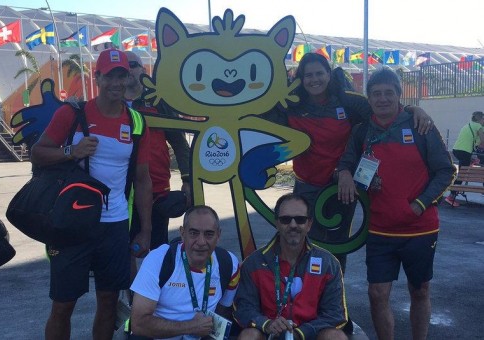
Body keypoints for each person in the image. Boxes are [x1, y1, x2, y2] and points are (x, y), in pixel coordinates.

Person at [263, 52, 433, 273]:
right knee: (298, 243)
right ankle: (300, 296)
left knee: (337, 246)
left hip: (342, 187)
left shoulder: (349, 101)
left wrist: (413, 109)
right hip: (306, 188)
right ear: (300, 79)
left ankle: (334, 296)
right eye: (308, 75)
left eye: (319, 73)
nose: (314, 79)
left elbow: (384, 109)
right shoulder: (291, 105)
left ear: (329, 74)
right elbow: (261, 116)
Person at [31, 48, 153, 340]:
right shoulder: (72, 113)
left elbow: (143, 179)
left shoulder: (135, 122)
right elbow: (37, 154)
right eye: (110, 76)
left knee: (109, 301)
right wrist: (72, 151)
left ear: (128, 78)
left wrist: (145, 231)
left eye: (121, 76)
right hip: (72, 223)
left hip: (114, 225)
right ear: (97, 77)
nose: (116, 83)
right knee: (63, 304)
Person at [337, 68, 455, 340]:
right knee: (377, 294)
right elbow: (346, 162)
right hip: (380, 230)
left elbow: (445, 170)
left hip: (420, 229)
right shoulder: (362, 131)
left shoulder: (420, 125)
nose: (382, 99)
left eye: (389, 93)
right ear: (369, 99)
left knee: (420, 290)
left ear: (399, 96)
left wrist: (420, 204)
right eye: (376, 94)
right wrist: (345, 174)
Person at [234, 193, 348, 340]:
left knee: (336, 336)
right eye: (286, 219)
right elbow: (243, 309)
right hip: (269, 333)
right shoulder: (254, 262)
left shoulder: (328, 263)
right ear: (277, 223)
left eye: (300, 220)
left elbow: (335, 315)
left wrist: (302, 332)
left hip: (310, 335)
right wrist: (266, 324)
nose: (293, 225)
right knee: (249, 336)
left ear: (309, 224)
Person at [124, 51, 192, 269]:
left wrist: (188, 179)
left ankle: (154, 299)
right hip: (119, 191)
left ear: (143, 70)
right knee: (122, 252)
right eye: (123, 66)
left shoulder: (158, 101)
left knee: (156, 254)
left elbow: (180, 143)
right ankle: (127, 299)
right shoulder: (112, 102)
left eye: (133, 65)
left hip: (156, 190)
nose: (128, 70)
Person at [129, 205, 240, 339]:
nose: (201, 242)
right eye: (193, 233)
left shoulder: (229, 264)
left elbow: (222, 312)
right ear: (182, 233)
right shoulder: (159, 259)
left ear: (218, 235)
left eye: (209, 234)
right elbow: (139, 324)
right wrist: (191, 326)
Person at [445, 111, 484, 206]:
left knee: (464, 170)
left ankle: (452, 196)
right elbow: (482, 141)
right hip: (465, 151)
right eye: (483, 119)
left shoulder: (468, 125)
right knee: (462, 175)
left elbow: (477, 141)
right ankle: (451, 197)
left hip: (457, 150)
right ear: (479, 119)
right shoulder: (478, 126)